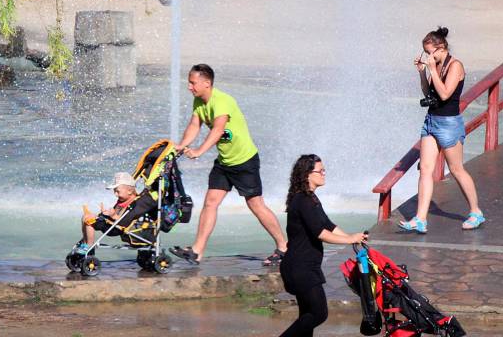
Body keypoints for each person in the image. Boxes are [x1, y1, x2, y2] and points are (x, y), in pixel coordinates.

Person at [169, 64, 287, 266]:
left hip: (244, 161)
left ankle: (284, 246)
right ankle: (197, 251)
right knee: (210, 202)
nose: (189, 87)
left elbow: (217, 130)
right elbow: (194, 125)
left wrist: (198, 151)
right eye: (189, 82)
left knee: (256, 205)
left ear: (207, 83)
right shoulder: (199, 101)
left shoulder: (222, 101)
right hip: (224, 162)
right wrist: (182, 145)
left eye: (192, 83)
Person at [399, 27, 484, 234]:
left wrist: (433, 70)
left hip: (449, 123)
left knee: (456, 169)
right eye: (426, 53)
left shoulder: (455, 66)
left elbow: (445, 94)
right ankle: (420, 219)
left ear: (442, 48)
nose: (429, 57)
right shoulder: (435, 66)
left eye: (431, 52)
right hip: (431, 121)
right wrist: (423, 73)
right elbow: (430, 92)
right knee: (425, 170)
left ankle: (476, 212)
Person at [279, 154, 368, 337]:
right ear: (307, 175)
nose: (324, 174)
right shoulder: (303, 200)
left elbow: (328, 225)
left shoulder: (310, 198)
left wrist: (353, 237)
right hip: (300, 268)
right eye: (320, 171)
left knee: (307, 315)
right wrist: (349, 240)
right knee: (319, 313)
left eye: (324, 170)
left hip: (305, 266)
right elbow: (321, 234)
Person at [77, 172, 149, 254]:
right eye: (114, 191)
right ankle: (85, 242)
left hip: (117, 228)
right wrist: (106, 213)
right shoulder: (123, 200)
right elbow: (116, 213)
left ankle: (89, 247)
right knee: (86, 216)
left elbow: (126, 221)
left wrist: (113, 215)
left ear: (129, 191)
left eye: (117, 191)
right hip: (112, 223)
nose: (115, 194)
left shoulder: (135, 203)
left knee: (89, 221)